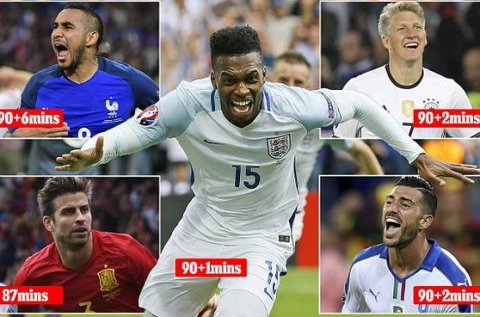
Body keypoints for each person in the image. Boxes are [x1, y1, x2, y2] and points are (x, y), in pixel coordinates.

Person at [55, 26, 478, 317]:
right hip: (201, 229)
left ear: (264, 73)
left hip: (261, 238)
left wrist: (414, 155)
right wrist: (99, 150)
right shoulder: (188, 101)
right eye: (229, 79)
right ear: (213, 76)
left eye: (251, 77)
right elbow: (139, 128)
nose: (242, 89)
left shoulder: (295, 106)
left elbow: (362, 106)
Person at [5, 3, 159, 175]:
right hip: (46, 176)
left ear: (91, 38)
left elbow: (166, 116)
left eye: (67, 27)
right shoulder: (38, 84)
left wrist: (129, 135)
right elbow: (9, 135)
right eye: (55, 27)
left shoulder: (129, 80)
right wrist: (24, 134)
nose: (57, 33)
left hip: (103, 179)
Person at [271, 50, 383, 241]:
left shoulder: (321, 119)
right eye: (283, 80)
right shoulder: (251, 115)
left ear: (308, 86)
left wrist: (381, 191)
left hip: (288, 213)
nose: (291, 88)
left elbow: (361, 151)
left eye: (298, 82)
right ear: (271, 80)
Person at [334, 1, 479, 138]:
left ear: (425, 38)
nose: (411, 34)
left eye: (417, 27)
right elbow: (340, 146)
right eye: (402, 29)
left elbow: (474, 139)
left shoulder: (450, 90)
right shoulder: (357, 89)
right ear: (386, 41)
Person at [13, 177, 157, 312]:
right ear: (49, 223)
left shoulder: (126, 250)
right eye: (68, 212)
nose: (80, 218)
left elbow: (166, 297)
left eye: (84, 209)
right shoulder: (32, 275)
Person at [342, 176, 472, 313]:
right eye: (389, 202)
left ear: (425, 221)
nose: (392, 209)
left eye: (405, 205)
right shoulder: (362, 265)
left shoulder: (453, 282)